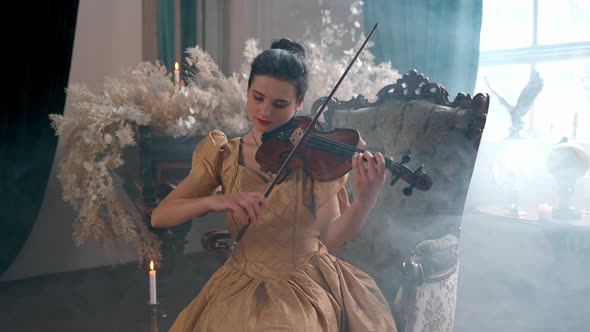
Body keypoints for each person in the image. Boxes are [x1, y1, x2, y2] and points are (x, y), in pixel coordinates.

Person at [151, 38, 397, 332]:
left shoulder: (313, 157)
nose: (265, 111)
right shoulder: (223, 153)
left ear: (299, 104)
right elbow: (160, 216)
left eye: (279, 104)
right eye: (257, 97)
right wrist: (215, 201)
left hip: (303, 282)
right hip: (240, 280)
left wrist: (364, 201)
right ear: (247, 91)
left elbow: (329, 237)